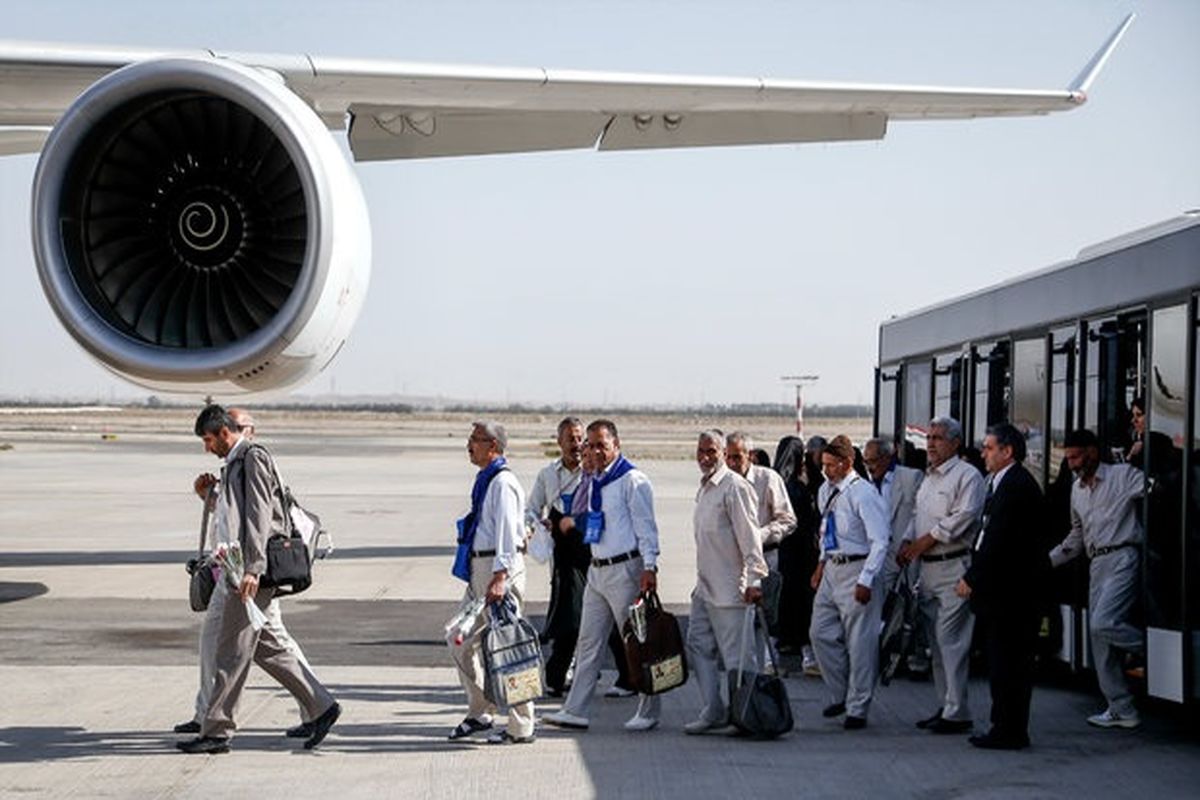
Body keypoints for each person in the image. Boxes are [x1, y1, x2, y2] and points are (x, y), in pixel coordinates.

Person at [178, 405, 339, 754]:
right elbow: (233, 513)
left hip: (251, 571)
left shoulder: (252, 457)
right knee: (267, 648)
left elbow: (258, 516)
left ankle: (217, 731)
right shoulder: (233, 462)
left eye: (208, 440)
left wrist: (252, 568)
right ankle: (322, 706)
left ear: (224, 432)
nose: (206, 447)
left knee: (230, 652)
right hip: (235, 567)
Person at [544, 419, 662, 733]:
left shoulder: (632, 480)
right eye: (591, 445)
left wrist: (649, 567)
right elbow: (596, 521)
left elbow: (646, 528)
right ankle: (575, 710)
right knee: (588, 643)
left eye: (602, 445)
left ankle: (650, 708)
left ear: (616, 445)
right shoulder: (595, 480)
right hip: (597, 570)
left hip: (626, 570)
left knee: (636, 642)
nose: (595, 451)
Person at [445, 420, 536, 744]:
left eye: (476, 440)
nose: (469, 444)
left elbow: (510, 535)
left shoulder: (503, 483)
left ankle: (521, 724)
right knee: (458, 639)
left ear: (493, 446)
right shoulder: (486, 480)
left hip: (498, 572)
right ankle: (481, 711)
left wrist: (499, 578)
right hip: (480, 569)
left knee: (509, 648)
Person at [1049, 429, 1145, 729]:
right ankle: (1122, 709)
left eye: (1076, 457)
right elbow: (1076, 536)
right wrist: (1044, 563)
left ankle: (1150, 654)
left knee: (1102, 622)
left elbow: (1157, 492)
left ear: (1092, 452)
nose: (1072, 465)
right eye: (1068, 459)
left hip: (1124, 556)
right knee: (1099, 641)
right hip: (1096, 562)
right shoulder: (1076, 489)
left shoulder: (1122, 475)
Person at [958, 423, 1045, 750]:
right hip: (1005, 595)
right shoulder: (1002, 484)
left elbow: (997, 541)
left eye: (989, 447)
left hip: (1013, 597)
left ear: (1007, 451)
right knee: (1003, 663)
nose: (983, 453)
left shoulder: (1016, 487)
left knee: (1010, 665)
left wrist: (972, 577)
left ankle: (1009, 730)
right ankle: (1005, 726)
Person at [898, 418, 985, 735]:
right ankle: (947, 705)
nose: (931, 444)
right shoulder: (928, 478)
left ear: (956, 442)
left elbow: (963, 518)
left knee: (952, 642)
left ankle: (958, 712)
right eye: (929, 438)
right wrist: (909, 541)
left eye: (937, 438)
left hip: (953, 566)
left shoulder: (968, 476)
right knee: (935, 643)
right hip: (927, 569)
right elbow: (917, 516)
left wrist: (926, 540)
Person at [685, 431, 768, 734]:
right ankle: (714, 709)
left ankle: (746, 714)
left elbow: (751, 540)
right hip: (705, 587)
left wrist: (754, 580)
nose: (705, 457)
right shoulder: (706, 488)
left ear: (722, 452)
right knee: (698, 644)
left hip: (733, 590)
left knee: (737, 657)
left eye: (711, 451)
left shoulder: (735, 488)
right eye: (700, 450)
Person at [809, 434, 890, 729]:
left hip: (858, 568)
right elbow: (825, 531)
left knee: (860, 643)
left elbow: (880, 541)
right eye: (824, 465)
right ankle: (840, 692)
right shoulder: (825, 491)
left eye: (831, 465)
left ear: (847, 463)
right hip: (832, 567)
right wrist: (820, 565)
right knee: (820, 633)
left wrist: (866, 579)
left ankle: (858, 707)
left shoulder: (863, 494)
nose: (826, 470)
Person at [526, 417, 589, 696]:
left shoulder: (593, 472)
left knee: (586, 615)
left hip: (590, 553)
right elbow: (531, 510)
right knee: (570, 612)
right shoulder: (548, 475)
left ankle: (563, 671)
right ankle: (564, 671)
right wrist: (536, 526)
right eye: (570, 439)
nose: (576, 444)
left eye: (579, 438)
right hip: (562, 558)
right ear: (559, 442)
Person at [773, 436, 820, 672]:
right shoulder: (800, 489)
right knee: (801, 602)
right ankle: (806, 653)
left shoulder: (772, 482)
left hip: (779, 551)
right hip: (800, 553)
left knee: (779, 601)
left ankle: (775, 650)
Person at [725, 431, 796, 573]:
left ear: (750, 455)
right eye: (728, 457)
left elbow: (788, 520)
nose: (732, 463)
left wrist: (758, 536)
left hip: (764, 558)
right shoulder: (723, 482)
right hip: (730, 561)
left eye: (737, 457)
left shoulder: (768, 479)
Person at [862, 437, 922, 600]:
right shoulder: (867, 487)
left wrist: (909, 541)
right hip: (881, 558)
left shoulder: (911, 478)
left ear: (887, 458)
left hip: (906, 556)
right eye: (865, 462)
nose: (869, 468)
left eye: (872, 461)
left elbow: (920, 514)